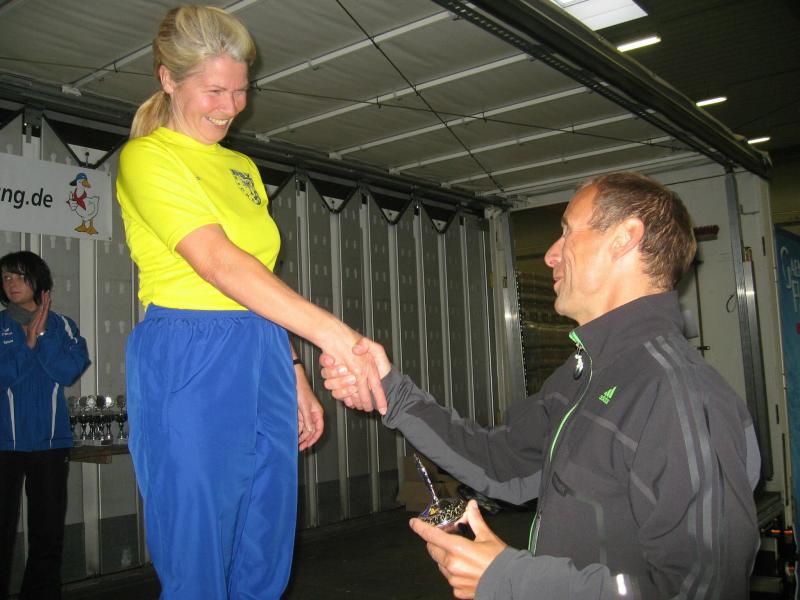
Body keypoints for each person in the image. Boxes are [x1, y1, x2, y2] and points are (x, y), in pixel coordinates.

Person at [322, 172, 761, 599]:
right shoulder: (584, 375)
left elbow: (705, 588)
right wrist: (391, 390)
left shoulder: (679, 394)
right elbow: (503, 462)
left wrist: (513, 581)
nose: (551, 254)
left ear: (624, 237)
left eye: (567, 231)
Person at [115, 5, 385, 599]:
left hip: (262, 347)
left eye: (240, 91)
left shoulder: (241, 167)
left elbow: (257, 277)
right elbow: (217, 263)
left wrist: (294, 373)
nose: (231, 107)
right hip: (190, 350)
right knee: (199, 540)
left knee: (266, 532)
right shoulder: (148, 158)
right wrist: (335, 336)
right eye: (215, 91)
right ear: (168, 78)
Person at [0, 251, 90, 600]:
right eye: (6, 277)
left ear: (38, 280)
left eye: (19, 275)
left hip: (51, 444)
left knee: (47, 534)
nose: (11, 283)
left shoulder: (62, 326)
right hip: (4, 444)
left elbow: (68, 372)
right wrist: (28, 345)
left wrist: (43, 335)